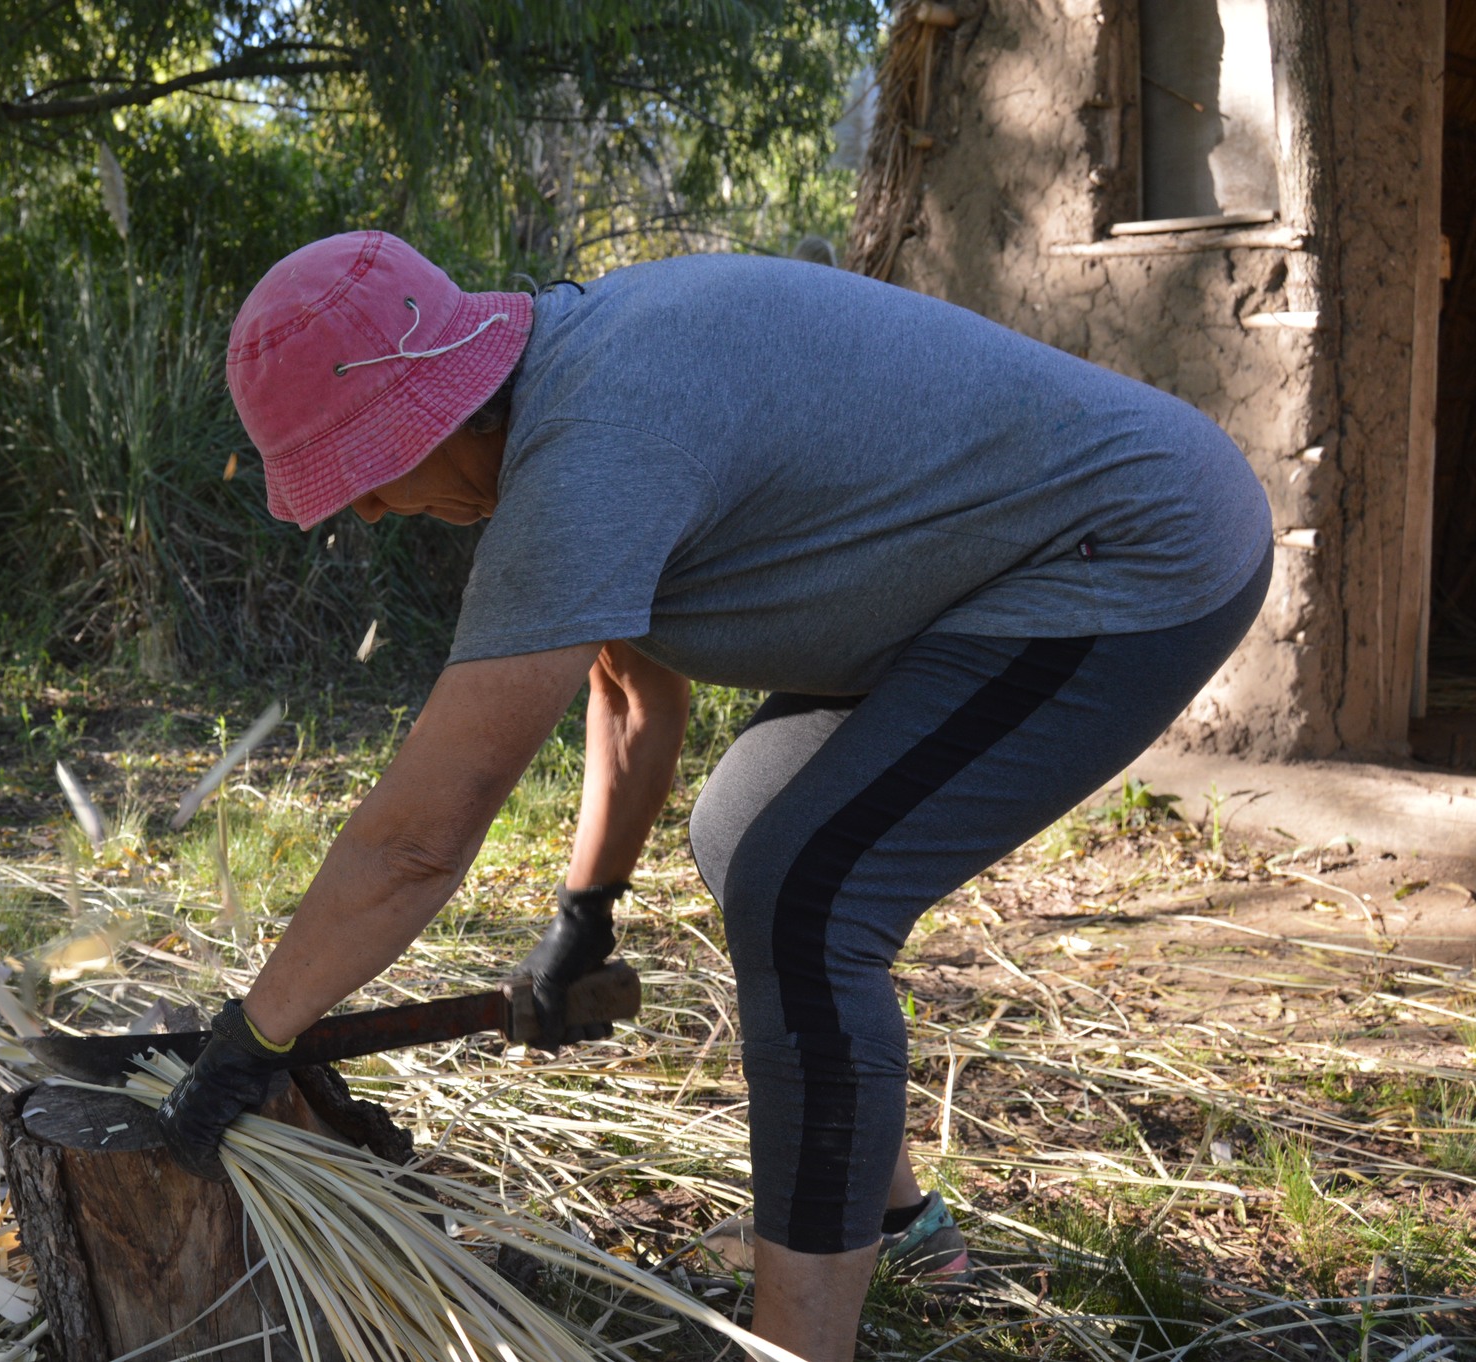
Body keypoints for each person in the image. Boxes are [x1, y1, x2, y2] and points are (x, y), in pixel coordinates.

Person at [155, 231, 1272, 1361]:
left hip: (1131, 551)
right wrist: (584, 917)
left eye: (364, 475)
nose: (368, 513)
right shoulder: (572, 392)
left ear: (429, 419)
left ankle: (799, 1345)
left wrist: (257, 1031)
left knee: (808, 896)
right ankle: (895, 1226)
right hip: (973, 579)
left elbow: (417, 843)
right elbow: (633, 695)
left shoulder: (593, 453)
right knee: (744, 832)